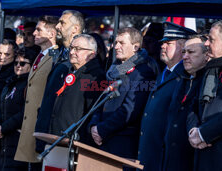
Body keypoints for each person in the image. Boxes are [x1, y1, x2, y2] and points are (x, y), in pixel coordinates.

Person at [88, 27, 159, 162]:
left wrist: (102, 130)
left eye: (122, 43)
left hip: (122, 142)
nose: (116, 46)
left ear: (136, 47)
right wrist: (93, 125)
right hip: (104, 139)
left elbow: (130, 109)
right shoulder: (115, 68)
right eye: (116, 42)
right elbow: (101, 101)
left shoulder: (143, 72)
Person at [138, 22, 197, 171]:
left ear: (182, 47)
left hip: (165, 157)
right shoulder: (163, 72)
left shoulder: (185, 76)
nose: (162, 46)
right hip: (150, 152)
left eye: (168, 43)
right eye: (163, 43)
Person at [187, 19, 222, 171]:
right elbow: (193, 105)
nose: (206, 44)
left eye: (211, 40)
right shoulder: (210, 68)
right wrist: (193, 130)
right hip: (201, 153)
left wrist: (204, 133)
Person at [35, 10, 85, 153]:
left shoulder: (84, 60)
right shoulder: (59, 53)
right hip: (45, 134)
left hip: (63, 138)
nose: (57, 26)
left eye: (62, 23)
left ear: (75, 28)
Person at [14, 16, 59, 170]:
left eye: (39, 30)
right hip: (31, 125)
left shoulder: (56, 56)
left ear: (52, 34)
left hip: (41, 126)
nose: (34, 33)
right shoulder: (41, 55)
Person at [161, 35, 209, 171]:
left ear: (206, 55)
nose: (185, 56)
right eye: (184, 52)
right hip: (170, 158)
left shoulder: (208, 81)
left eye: (191, 52)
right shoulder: (181, 78)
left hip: (191, 159)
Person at [49, 34, 106, 145]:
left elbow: (92, 113)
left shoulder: (96, 77)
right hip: (55, 138)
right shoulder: (68, 71)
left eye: (78, 49)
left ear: (92, 54)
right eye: (71, 48)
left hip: (75, 142)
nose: (71, 52)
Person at [0, 48, 37, 171]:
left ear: (31, 65)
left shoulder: (29, 85)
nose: (18, 66)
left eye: (23, 63)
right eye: (16, 63)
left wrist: (4, 127)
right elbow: (0, 106)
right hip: (4, 140)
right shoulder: (10, 82)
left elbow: (25, 112)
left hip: (18, 139)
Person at [0, 39, 18, 171]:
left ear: (14, 55)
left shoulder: (12, 73)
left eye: (7, 54)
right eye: (0, 53)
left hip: (1, 131)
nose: (2, 57)